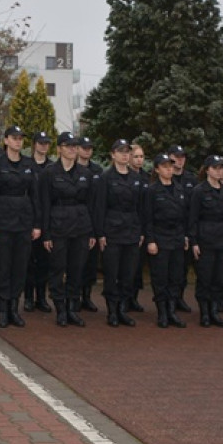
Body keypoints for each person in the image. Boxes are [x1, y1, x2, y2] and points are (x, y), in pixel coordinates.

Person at [37, 132, 96, 327]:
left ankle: (72, 308)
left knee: (76, 269)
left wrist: (92, 232)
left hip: (81, 227)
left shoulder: (85, 174)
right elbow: (44, 204)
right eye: (68, 146)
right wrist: (46, 233)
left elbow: (91, 204)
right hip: (58, 226)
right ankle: (60, 309)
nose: (72, 149)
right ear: (59, 149)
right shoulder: (49, 173)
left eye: (74, 146)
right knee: (57, 269)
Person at [0, 126, 40, 328]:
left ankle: (14, 308)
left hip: (23, 221)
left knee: (20, 266)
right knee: (3, 266)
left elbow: (35, 195)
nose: (18, 141)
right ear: (6, 140)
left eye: (20, 138)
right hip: (3, 222)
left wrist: (37, 224)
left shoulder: (28, 164)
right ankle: (3, 308)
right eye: (14, 138)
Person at [96, 139, 145, 328]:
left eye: (127, 152)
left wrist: (140, 231)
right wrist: (101, 233)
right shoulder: (106, 178)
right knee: (111, 273)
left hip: (131, 230)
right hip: (112, 230)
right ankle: (112, 311)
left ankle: (123, 310)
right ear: (113, 154)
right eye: (121, 151)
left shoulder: (136, 178)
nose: (125, 155)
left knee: (128, 273)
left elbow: (140, 206)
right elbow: (100, 206)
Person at [143, 153, 188, 328]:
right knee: (160, 277)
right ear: (157, 169)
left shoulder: (179, 189)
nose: (169, 170)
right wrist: (150, 240)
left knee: (176, 277)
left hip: (177, 238)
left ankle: (172, 311)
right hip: (160, 237)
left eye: (170, 166)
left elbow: (184, 216)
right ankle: (162, 312)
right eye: (165, 167)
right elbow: (147, 217)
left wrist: (185, 236)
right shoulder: (152, 190)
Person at [187, 155, 223, 328]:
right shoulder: (199, 191)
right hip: (205, 239)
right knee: (205, 278)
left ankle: (214, 311)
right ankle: (205, 313)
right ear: (207, 170)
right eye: (215, 168)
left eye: (221, 168)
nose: (219, 171)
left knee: (218, 278)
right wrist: (194, 242)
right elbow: (192, 218)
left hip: (222, 239)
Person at [23, 131, 53, 313]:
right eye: (41, 143)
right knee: (28, 261)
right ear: (34, 144)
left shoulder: (52, 167)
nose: (44, 146)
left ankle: (41, 297)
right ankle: (28, 297)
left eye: (46, 143)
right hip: (29, 218)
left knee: (44, 261)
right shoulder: (27, 165)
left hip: (47, 219)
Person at [168, 145, 198, 314]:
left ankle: (179, 297)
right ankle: (168, 300)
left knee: (183, 267)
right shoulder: (166, 177)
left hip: (186, 228)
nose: (180, 160)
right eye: (176, 156)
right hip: (169, 229)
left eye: (182, 156)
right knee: (169, 268)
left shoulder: (191, 179)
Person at [76, 136, 104, 313]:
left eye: (90, 148)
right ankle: (75, 296)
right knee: (76, 262)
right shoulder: (72, 169)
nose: (87, 151)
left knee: (90, 263)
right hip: (76, 220)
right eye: (84, 147)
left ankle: (87, 296)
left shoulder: (97, 170)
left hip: (93, 219)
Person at [127, 142, 148, 312]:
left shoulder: (147, 178)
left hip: (141, 226)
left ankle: (133, 297)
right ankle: (124, 298)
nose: (139, 160)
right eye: (136, 156)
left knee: (137, 265)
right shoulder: (123, 176)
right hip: (125, 226)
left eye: (141, 156)